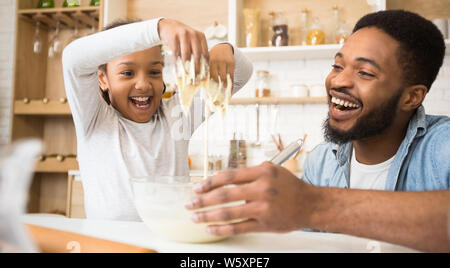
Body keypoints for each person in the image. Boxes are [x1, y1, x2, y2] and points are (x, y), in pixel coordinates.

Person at [185, 10, 450, 252]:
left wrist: (313, 204)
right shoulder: (322, 162)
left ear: (412, 97)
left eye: (365, 73)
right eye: (337, 66)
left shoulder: (442, 147)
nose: (339, 81)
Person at [62, 18, 253, 221]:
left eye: (154, 72)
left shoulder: (178, 116)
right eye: (127, 73)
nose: (143, 84)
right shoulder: (95, 121)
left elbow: (242, 72)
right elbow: (73, 58)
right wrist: (158, 28)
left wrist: (225, 49)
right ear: (102, 79)